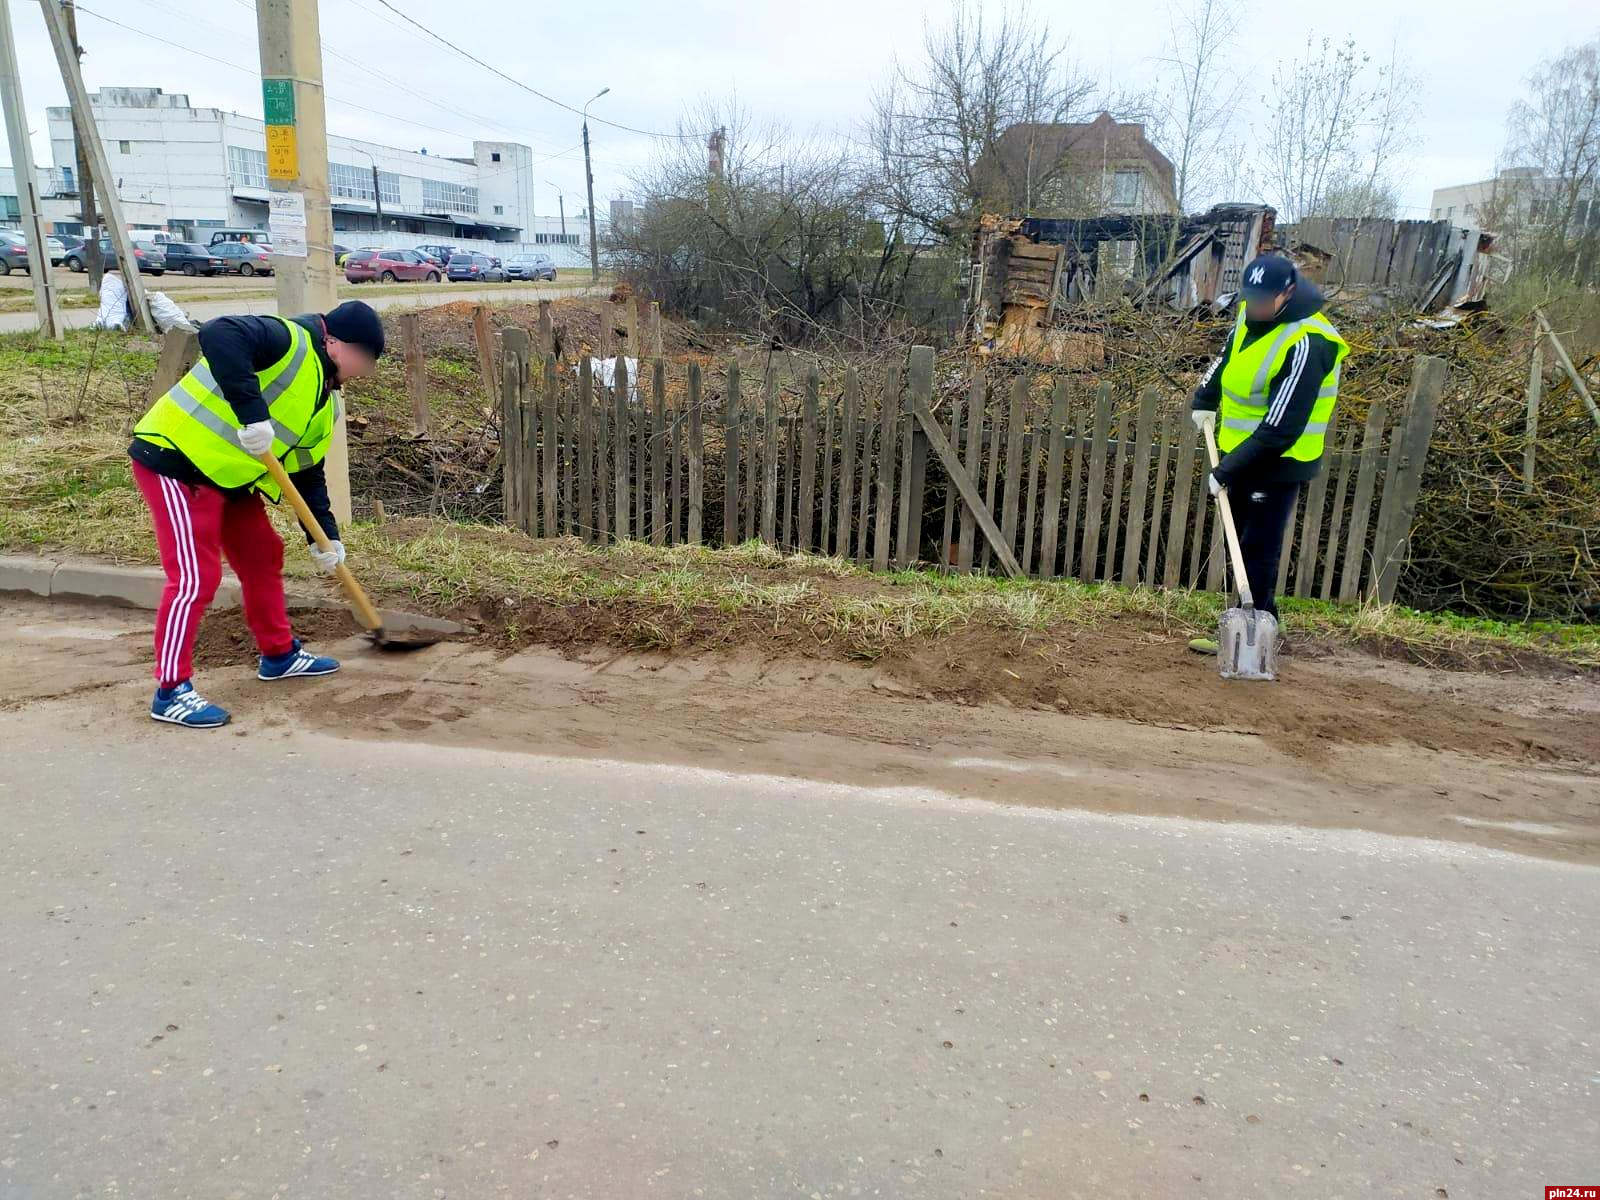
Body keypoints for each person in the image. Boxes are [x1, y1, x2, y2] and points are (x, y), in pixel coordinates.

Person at [128, 301, 385, 727]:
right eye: (365, 359)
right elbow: (218, 332)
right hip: (175, 460)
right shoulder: (288, 340)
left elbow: (307, 475)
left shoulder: (325, 404)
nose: (363, 371)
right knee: (195, 578)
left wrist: (324, 536)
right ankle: (170, 691)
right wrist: (252, 414)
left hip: (227, 477)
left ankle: (279, 655)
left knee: (264, 553)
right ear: (338, 344)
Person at [1188, 254, 1348, 652]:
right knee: (1238, 543)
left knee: (1256, 547)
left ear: (1288, 293)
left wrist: (1226, 471)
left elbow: (1281, 429)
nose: (1254, 306)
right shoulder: (1248, 313)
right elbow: (1226, 360)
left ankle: (1253, 641)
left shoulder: (1309, 342)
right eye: (1250, 298)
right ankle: (1251, 626)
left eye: (1264, 300)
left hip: (1280, 460)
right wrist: (1204, 397)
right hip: (1240, 451)